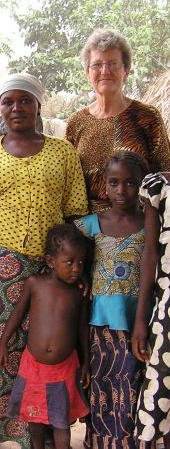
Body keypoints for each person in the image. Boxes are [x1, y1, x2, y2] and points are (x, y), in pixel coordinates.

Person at [0, 72, 88, 448]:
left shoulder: (62, 153)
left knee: (41, 350)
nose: (17, 108)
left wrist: (77, 268)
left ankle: (37, 431)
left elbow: (76, 213)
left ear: (38, 105)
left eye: (25, 100)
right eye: (8, 101)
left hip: (49, 270)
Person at [74, 151, 150, 449]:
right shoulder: (91, 224)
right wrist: (80, 276)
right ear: (104, 184)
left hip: (137, 321)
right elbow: (63, 250)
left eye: (131, 183)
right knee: (102, 385)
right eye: (114, 182)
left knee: (132, 385)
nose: (122, 190)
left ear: (142, 185)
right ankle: (98, 442)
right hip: (100, 323)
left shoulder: (150, 224)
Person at [0, 223, 90, 449]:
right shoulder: (35, 284)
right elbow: (18, 313)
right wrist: (3, 343)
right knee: (34, 421)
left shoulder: (78, 293)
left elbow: (82, 329)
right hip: (33, 367)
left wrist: (86, 362)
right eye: (69, 262)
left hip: (64, 368)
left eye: (80, 262)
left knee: (61, 423)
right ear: (50, 261)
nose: (76, 269)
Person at [66, 28, 170, 213]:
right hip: (87, 224)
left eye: (113, 64)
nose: (105, 71)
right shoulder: (76, 122)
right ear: (87, 73)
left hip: (139, 222)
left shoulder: (147, 116)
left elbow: (166, 172)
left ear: (126, 70)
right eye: (97, 65)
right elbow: (68, 179)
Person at [132, 171, 170, 448]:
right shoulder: (158, 187)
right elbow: (150, 253)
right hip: (167, 310)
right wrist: (141, 319)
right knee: (160, 387)